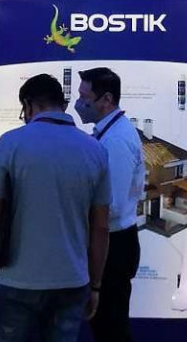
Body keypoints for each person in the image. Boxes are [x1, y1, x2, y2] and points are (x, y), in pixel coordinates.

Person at [0, 74, 112, 342]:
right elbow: (100, 227)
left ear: (28, 105)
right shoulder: (96, 150)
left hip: (18, 282)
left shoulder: (11, 143)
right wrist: (96, 285)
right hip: (72, 283)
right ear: (62, 104)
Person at [74, 67, 146, 342]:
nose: (79, 103)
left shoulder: (116, 140)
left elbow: (111, 206)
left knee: (110, 328)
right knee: (106, 326)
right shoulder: (107, 133)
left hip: (113, 246)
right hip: (110, 241)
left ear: (106, 99)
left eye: (85, 97)